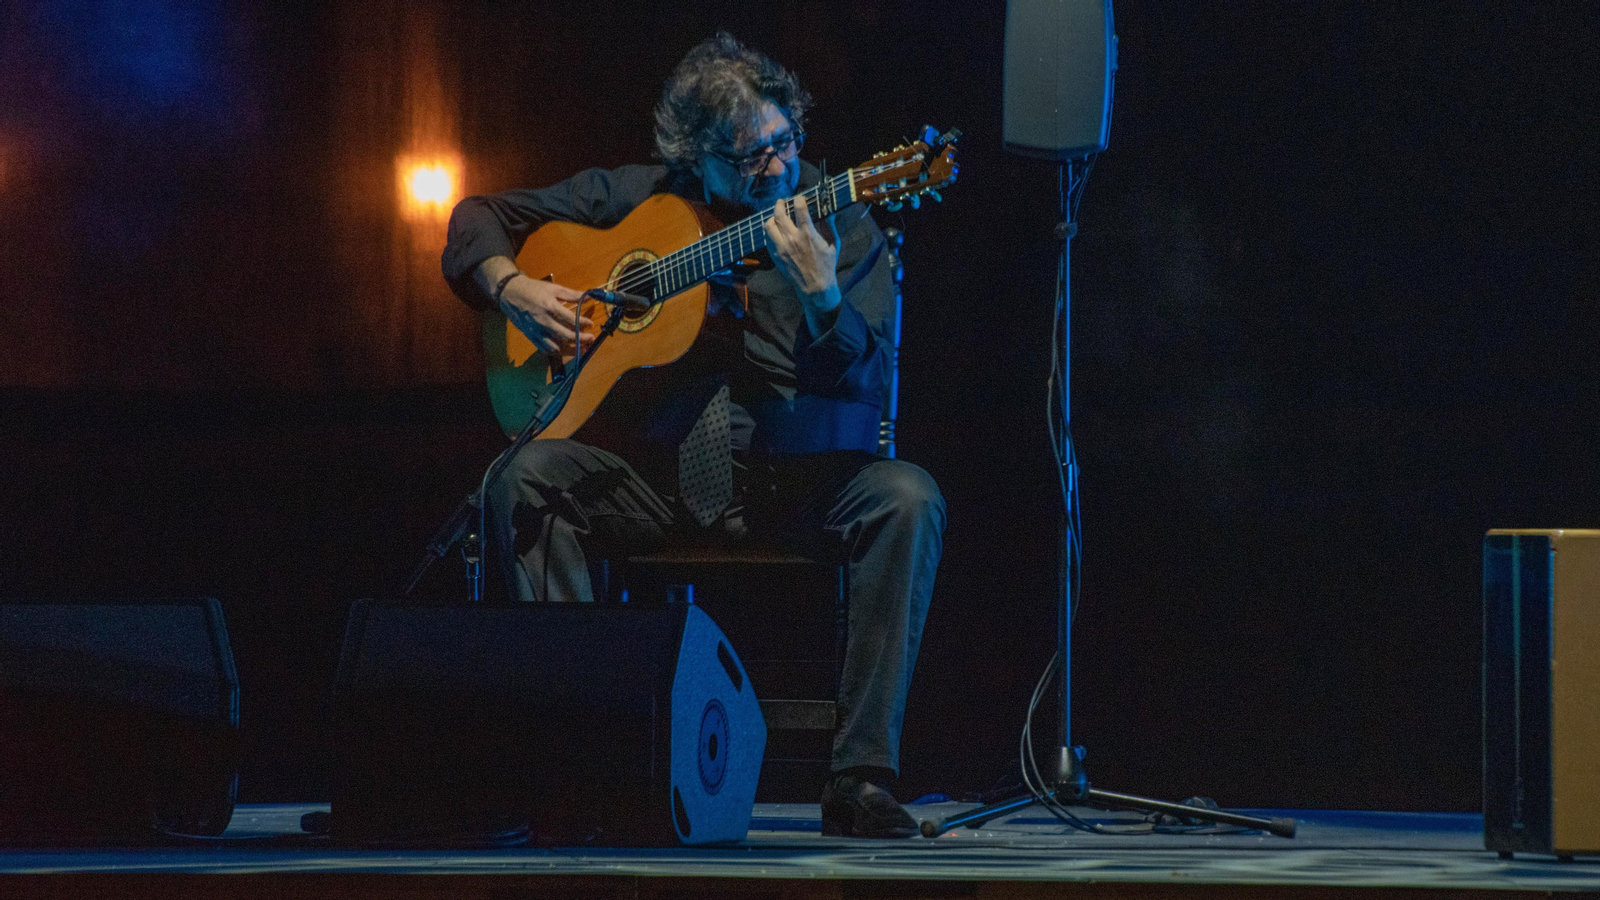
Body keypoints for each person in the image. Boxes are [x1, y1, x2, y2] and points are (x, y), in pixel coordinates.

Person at [440, 32, 943, 839]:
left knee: (908, 498)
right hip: (657, 478)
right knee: (521, 477)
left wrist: (821, 302)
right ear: (696, 159)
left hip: (793, 479)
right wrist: (514, 288)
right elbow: (478, 217)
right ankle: (583, 758)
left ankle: (859, 779)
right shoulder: (644, 197)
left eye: (783, 144)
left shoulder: (839, 217)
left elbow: (866, 377)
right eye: (748, 158)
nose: (774, 169)